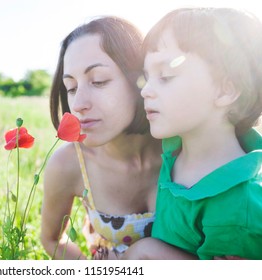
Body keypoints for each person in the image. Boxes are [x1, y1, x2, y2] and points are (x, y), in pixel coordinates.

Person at [123, 7, 262, 259]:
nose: (146, 91)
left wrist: (145, 255)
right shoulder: (173, 148)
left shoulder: (239, 207)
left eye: (165, 76)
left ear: (224, 91)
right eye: (147, 77)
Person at [40, 16, 163, 260]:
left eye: (98, 81)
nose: (79, 104)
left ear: (141, 80)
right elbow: (51, 239)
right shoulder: (69, 164)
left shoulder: (184, 146)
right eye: (72, 88)